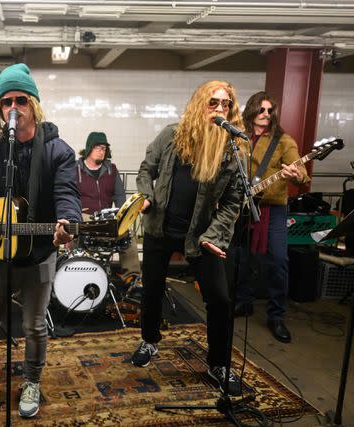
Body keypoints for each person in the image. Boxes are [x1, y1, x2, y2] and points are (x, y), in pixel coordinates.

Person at [0, 63, 81, 418]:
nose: (13, 107)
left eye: (21, 99)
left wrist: (67, 222)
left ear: (34, 105)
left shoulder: (58, 151)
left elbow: (67, 194)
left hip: (38, 253)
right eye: (6, 100)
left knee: (34, 323)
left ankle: (33, 378)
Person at [133, 80, 245, 396]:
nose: (220, 109)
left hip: (201, 235)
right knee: (152, 288)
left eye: (226, 104)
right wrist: (146, 195)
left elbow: (234, 201)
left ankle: (219, 363)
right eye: (214, 103)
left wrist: (216, 236)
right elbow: (146, 169)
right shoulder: (172, 135)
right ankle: (150, 339)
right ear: (199, 104)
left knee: (220, 300)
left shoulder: (231, 150)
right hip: (160, 228)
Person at [232, 91, 309, 344]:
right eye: (261, 109)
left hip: (272, 208)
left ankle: (276, 315)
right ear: (252, 110)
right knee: (242, 258)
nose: (265, 114)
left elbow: (303, 175)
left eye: (270, 110)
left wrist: (295, 175)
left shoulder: (284, 141)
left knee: (278, 261)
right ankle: (244, 301)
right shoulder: (238, 137)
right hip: (242, 207)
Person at [77, 131, 140, 275]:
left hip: (106, 219)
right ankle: (83, 273)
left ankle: (132, 277)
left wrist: (121, 216)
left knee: (127, 236)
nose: (102, 151)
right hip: (85, 217)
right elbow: (71, 196)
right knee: (79, 228)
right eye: (98, 148)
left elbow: (119, 195)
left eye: (104, 148)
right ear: (89, 148)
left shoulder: (112, 170)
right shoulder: (75, 169)